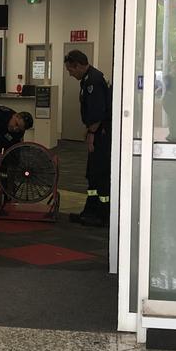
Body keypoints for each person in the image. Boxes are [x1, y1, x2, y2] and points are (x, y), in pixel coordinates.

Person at [64, 49, 112, 227]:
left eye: (70, 70)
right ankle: (90, 211)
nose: (70, 74)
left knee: (100, 173)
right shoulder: (88, 79)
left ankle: (102, 214)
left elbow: (98, 112)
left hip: (101, 134)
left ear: (78, 65)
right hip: (97, 130)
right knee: (92, 173)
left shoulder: (93, 81)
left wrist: (91, 133)